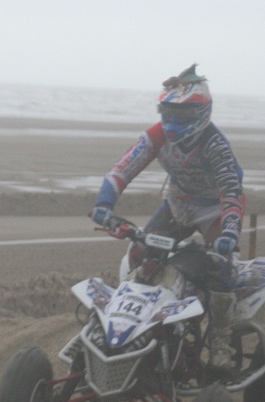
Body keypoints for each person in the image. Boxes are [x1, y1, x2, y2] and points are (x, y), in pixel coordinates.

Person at [90, 64, 245, 372]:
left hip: (213, 208)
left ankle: (220, 342)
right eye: (168, 113)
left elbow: (231, 191)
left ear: (200, 114)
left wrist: (229, 233)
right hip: (178, 202)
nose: (173, 122)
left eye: (182, 116)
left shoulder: (215, 146)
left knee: (221, 268)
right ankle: (132, 326)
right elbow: (123, 168)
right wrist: (104, 205)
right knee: (140, 252)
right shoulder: (156, 135)